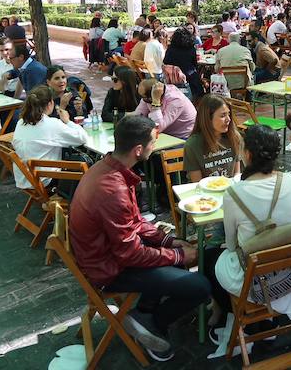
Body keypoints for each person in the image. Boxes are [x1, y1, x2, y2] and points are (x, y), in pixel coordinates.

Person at [69, 115, 207, 362]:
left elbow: (134, 220)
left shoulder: (110, 169)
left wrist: (167, 242)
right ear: (138, 149)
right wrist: (177, 254)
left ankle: (145, 309)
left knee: (176, 257)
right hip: (108, 269)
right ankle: (150, 322)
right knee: (200, 286)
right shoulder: (113, 189)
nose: (155, 146)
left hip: (107, 255)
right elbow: (130, 253)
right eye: (153, 143)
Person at [203, 125, 291, 341]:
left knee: (209, 257)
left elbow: (231, 246)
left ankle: (241, 319)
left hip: (256, 277)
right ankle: (267, 321)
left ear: (247, 154)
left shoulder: (234, 193)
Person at [12, 85, 88, 190]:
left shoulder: (21, 122)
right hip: (46, 181)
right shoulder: (52, 123)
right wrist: (67, 121)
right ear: (50, 104)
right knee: (82, 160)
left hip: (25, 179)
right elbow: (82, 138)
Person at [182, 94, 241, 181]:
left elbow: (237, 174)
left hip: (230, 190)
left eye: (229, 114)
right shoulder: (192, 145)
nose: (228, 119)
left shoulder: (234, 137)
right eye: (222, 115)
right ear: (207, 119)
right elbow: (197, 183)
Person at [163, 27, 202, 97]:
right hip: (189, 77)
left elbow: (166, 62)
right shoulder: (191, 48)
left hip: (174, 78)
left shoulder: (171, 49)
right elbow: (194, 64)